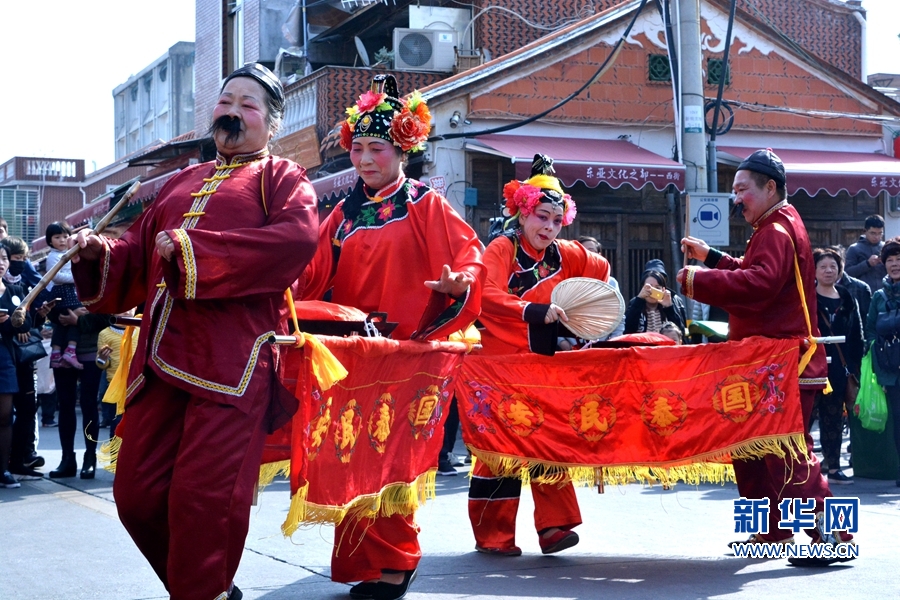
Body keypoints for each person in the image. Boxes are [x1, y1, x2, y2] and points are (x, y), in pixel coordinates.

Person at [69, 63, 319, 600]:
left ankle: (201, 591)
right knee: (136, 494)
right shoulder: (181, 182)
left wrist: (193, 251)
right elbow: (135, 254)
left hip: (233, 362)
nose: (232, 112)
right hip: (161, 359)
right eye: (226, 101)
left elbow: (295, 242)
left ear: (272, 123)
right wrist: (98, 253)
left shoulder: (283, 178)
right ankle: (208, 589)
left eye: (248, 105)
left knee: (203, 500)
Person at [300, 73, 483, 600]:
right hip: (355, 352)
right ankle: (365, 562)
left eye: (376, 149)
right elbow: (311, 273)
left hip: (407, 352)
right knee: (351, 450)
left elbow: (468, 255)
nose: (364, 159)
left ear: (402, 150)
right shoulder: (342, 213)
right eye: (357, 149)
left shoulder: (426, 204)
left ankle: (397, 561)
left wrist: (459, 283)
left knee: (391, 453)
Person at [677, 148, 854, 566]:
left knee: (784, 451)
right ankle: (771, 532)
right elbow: (753, 270)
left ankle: (834, 535)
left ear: (770, 187)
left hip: (782, 363)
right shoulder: (775, 225)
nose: (736, 198)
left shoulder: (775, 228)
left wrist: (699, 280)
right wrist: (711, 258)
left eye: (742, 190)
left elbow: (760, 284)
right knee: (753, 450)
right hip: (766, 363)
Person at [468, 154, 610, 557]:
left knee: (546, 437)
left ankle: (553, 527)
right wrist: (531, 310)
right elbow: (485, 294)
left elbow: (601, 271)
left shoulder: (566, 254)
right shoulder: (502, 248)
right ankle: (493, 535)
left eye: (556, 220)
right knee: (501, 446)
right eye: (541, 217)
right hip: (500, 364)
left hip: (542, 364)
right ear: (523, 213)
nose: (548, 227)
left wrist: (578, 313)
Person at [812, 247, 863, 485]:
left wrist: (854, 366)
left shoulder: (847, 298)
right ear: (813, 271)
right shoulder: (806, 299)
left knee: (833, 419)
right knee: (805, 419)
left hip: (839, 370)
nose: (828, 271)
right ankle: (800, 469)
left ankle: (833, 467)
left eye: (833, 266)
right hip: (810, 369)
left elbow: (857, 336)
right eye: (823, 266)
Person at [864, 237, 900, 488]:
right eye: (890, 260)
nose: (895, 264)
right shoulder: (879, 296)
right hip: (890, 370)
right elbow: (870, 331)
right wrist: (880, 356)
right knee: (898, 419)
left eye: (899, 259)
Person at [0, 244, 34, 488]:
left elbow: (26, 323)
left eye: (3, 258)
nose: (1, 262)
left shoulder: (15, 290)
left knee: (4, 416)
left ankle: (3, 470)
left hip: (5, 357)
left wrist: (14, 321)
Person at [45, 222, 83, 369]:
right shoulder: (53, 256)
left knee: (62, 324)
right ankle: (70, 350)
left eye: (65, 236)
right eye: (57, 237)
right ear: (50, 241)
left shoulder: (71, 252)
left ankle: (56, 353)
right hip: (63, 292)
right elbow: (55, 276)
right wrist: (76, 278)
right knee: (75, 318)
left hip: (69, 291)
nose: (62, 240)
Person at [623, 259, 687, 336]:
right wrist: (639, 300)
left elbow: (680, 334)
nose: (653, 291)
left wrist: (669, 308)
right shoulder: (635, 302)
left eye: (657, 288)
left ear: (664, 289)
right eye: (649, 287)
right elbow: (627, 330)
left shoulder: (672, 301)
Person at [578, 236, 624, 340]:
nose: (587, 254)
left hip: (604, 342)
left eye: (591, 251)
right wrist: (562, 341)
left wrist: (614, 339)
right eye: (582, 251)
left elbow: (619, 314)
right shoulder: (567, 281)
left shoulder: (611, 282)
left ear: (599, 255)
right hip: (571, 343)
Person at [845, 214, 886, 294]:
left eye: (880, 233)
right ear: (865, 231)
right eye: (873, 233)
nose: (877, 237)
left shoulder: (886, 247)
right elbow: (847, 273)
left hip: (884, 294)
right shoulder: (854, 249)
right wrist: (867, 264)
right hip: (862, 294)